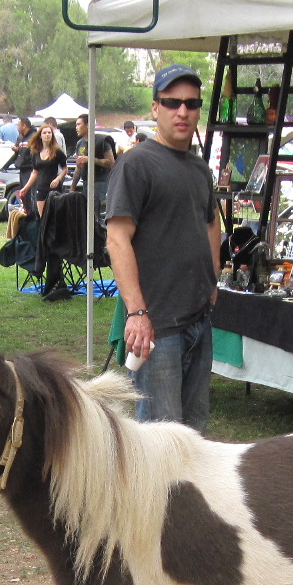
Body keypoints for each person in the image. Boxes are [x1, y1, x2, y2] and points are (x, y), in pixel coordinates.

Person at [106, 63, 220, 432]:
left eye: (191, 103)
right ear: (156, 108)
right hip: (156, 327)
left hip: (198, 320)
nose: (182, 111)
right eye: (172, 103)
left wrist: (212, 281)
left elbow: (210, 223)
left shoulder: (199, 168)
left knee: (194, 435)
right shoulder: (136, 164)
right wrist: (137, 313)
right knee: (160, 439)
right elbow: (116, 239)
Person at [17, 118, 65, 220]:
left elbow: (65, 169)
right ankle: (43, 236)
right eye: (44, 133)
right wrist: (25, 188)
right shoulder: (35, 153)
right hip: (41, 187)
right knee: (42, 218)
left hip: (54, 188)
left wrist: (58, 179)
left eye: (49, 133)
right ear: (40, 135)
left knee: (54, 217)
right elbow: (35, 172)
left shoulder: (57, 152)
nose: (47, 135)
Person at [72, 113, 116, 216]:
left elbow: (111, 163)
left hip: (100, 181)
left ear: (88, 125)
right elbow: (78, 167)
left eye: (79, 124)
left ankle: (100, 231)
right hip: (86, 182)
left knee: (95, 214)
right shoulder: (80, 143)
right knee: (87, 214)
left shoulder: (101, 141)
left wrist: (91, 159)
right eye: (76, 125)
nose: (76, 128)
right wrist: (72, 187)